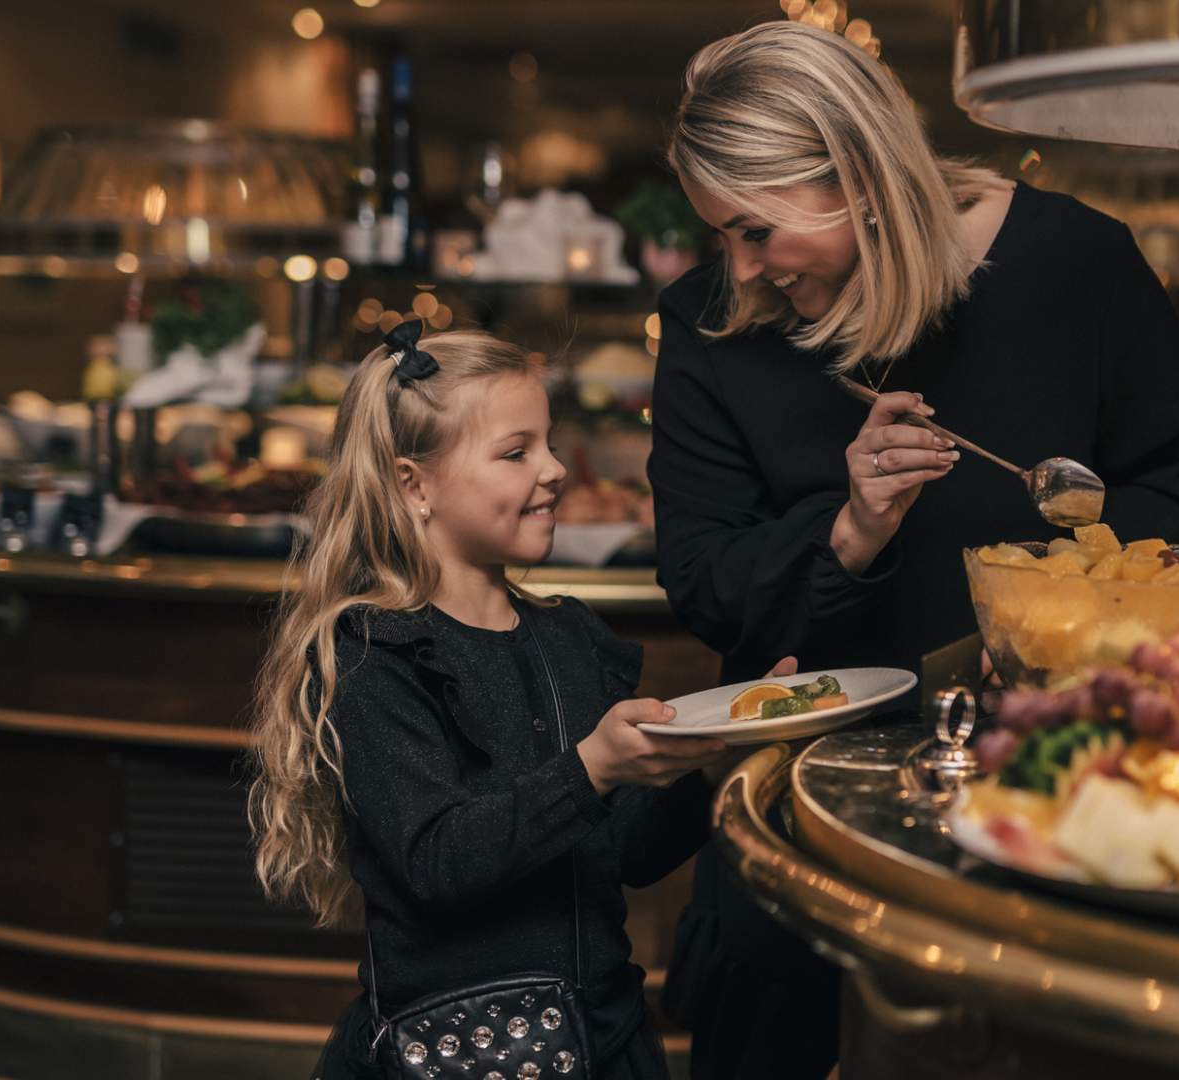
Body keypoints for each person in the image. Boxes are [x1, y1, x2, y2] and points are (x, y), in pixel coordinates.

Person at [650, 21, 1179, 1080]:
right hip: (802, 833)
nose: (742, 270)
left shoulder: (1076, 262)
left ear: (859, 177)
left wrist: (1062, 615)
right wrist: (851, 531)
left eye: (756, 231)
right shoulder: (711, 323)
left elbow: (1174, 502)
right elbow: (704, 585)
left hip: (1062, 802)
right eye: (722, 235)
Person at [248, 323, 784, 1079]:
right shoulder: (375, 653)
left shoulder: (570, 635)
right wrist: (593, 767)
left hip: (605, 1043)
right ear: (414, 485)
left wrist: (719, 757)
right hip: (459, 1056)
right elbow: (437, 861)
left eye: (549, 444)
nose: (556, 469)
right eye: (516, 453)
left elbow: (629, 852)